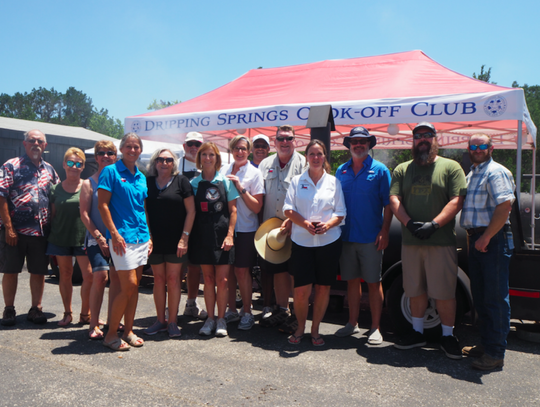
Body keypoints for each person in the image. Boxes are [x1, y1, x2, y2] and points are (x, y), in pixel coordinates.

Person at [389, 122, 467, 359]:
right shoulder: (402, 169)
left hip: (441, 241)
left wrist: (434, 224)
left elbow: (457, 200)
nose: (422, 139)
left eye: (427, 135)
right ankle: (417, 332)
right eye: (418, 136)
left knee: (444, 292)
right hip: (411, 242)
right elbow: (394, 198)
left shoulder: (451, 167)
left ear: (435, 138)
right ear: (413, 141)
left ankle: (447, 336)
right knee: (414, 290)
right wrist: (408, 222)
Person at [460, 133, 515, 371]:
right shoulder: (472, 172)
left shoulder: (496, 172)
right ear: (469, 148)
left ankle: (495, 353)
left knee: (494, 298)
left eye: (482, 145)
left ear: (491, 147)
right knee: (481, 297)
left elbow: (504, 206)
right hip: (478, 239)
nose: (478, 148)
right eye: (474, 145)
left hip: (491, 240)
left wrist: (486, 237)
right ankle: (486, 344)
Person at [283, 140, 346, 345]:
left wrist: (327, 225)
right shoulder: (296, 181)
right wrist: (305, 223)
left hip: (329, 242)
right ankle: (300, 328)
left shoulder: (334, 182)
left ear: (324, 156)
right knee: (301, 291)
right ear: (307, 157)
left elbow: (341, 213)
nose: (316, 158)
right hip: (302, 242)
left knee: (322, 288)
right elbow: (288, 209)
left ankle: (316, 329)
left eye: (320, 154)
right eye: (312, 154)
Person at [334, 127, 392, 345]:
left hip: (371, 237)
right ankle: (352, 323)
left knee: (373, 282)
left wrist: (385, 231)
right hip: (346, 236)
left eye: (362, 141)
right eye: (354, 141)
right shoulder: (341, 171)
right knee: (351, 282)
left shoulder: (380, 170)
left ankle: (376, 327)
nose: (358, 145)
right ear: (349, 145)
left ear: (369, 144)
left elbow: (389, 205)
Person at [98, 133, 151, 351]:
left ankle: (128, 330)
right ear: (122, 149)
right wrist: (114, 233)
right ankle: (111, 334)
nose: (132, 150)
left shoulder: (141, 176)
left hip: (141, 237)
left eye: (136, 146)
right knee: (127, 285)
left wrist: (150, 237)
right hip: (121, 239)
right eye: (128, 146)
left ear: (140, 150)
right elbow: (103, 205)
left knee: (134, 286)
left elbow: (142, 209)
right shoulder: (110, 171)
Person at [0, 129, 59, 326]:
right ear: (24, 144)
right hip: (14, 232)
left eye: (39, 141)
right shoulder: (11, 165)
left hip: (41, 232)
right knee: (11, 271)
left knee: (38, 271)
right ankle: (9, 309)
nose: (36, 143)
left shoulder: (49, 170)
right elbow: (1, 196)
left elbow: (57, 197)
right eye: (31, 140)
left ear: (45, 146)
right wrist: (8, 228)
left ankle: (36, 308)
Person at [258, 125, 306, 332]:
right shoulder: (265, 163)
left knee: (295, 271)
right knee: (278, 270)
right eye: (281, 139)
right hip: (272, 229)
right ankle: (282, 310)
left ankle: (297, 314)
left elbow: (306, 198)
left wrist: (293, 220)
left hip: (296, 227)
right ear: (274, 142)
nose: (285, 142)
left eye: (289, 138)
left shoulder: (304, 163)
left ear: (295, 141)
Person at [144, 148, 195, 338]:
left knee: (173, 280)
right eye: (160, 159)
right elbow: (145, 211)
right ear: (155, 162)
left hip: (177, 241)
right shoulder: (148, 182)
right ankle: (160, 321)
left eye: (168, 160)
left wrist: (185, 237)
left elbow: (191, 211)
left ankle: (173, 321)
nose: (164, 163)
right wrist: (148, 236)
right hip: (155, 240)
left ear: (173, 163)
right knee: (158, 280)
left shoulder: (181, 181)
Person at [189, 142, 238, 337]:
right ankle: (210, 319)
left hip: (222, 236)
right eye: (204, 155)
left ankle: (221, 320)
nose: (208, 158)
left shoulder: (226, 182)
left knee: (223, 280)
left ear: (217, 158)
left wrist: (230, 235)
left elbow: (233, 211)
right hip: (202, 236)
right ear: (199, 158)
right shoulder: (193, 184)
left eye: (211, 155)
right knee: (208, 279)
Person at [221, 136, 264, 330]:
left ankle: (247, 311)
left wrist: (240, 187)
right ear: (231, 150)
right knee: (227, 272)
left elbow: (257, 207)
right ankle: (231, 310)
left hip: (246, 229)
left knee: (241, 271)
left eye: (244, 149)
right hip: (225, 229)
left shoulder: (255, 173)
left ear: (249, 151)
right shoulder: (222, 171)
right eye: (237, 148)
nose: (240, 152)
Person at [47, 148, 94, 327]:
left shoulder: (87, 186)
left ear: (82, 167)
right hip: (60, 237)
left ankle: (86, 313)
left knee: (88, 276)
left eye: (78, 163)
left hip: (83, 237)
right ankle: (67, 313)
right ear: (64, 164)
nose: (74, 167)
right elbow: (52, 214)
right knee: (64, 274)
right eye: (70, 163)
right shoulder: (55, 189)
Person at [80, 140, 121, 339]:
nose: (106, 156)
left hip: (119, 239)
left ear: (116, 156)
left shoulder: (121, 181)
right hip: (97, 239)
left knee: (118, 280)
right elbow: (85, 215)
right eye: (102, 153)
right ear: (96, 157)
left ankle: (113, 319)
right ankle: (93, 323)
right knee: (100, 277)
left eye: (110, 152)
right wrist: (99, 237)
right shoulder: (89, 183)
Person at [180, 132, 207, 319]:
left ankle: (191, 302)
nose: (194, 147)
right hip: (178, 222)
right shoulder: (175, 165)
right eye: (190, 143)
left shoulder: (207, 165)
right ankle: (170, 306)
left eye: (197, 144)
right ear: (184, 146)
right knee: (176, 266)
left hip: (200, 224)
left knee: (195, 266)